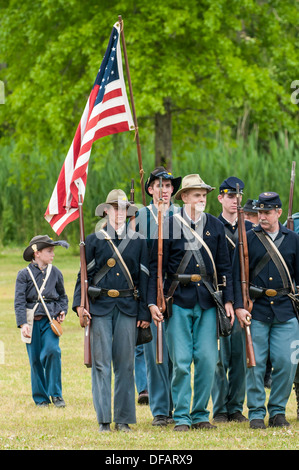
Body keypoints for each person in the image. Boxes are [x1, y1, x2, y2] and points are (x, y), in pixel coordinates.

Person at [148, 174, 234, 431]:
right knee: (182, 362)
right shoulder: (167, 225)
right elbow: (156, 269)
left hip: (208, 300)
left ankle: (199, 415)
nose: (202, 199)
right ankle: (183, 416)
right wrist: (154, 301)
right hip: (178, 301)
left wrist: (228, 300)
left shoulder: (215, 226)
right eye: (197, 195)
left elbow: (224, 266)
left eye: (204, 195)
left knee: (208, 360)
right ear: (184, 197)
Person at [72, 189, 150, 433]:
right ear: (106, 210)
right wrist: (80, 305)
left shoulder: (138, 241)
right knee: (101, 364)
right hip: (100, 307)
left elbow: (144, 279)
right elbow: (83, 276)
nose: (119, 213)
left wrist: (145, 313)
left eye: (123, 208)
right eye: (115, 208)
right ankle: (104, 419)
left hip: (128, 307)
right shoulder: (94, 240)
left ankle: (124, 419)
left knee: (125, 364)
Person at [233, 192, 299, 429]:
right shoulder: (247, 239)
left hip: (285, 309)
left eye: (267, 212)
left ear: (279, 213)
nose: (262, 216)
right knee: (255, 363)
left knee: (286, 362)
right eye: (259, 212)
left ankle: (278, 411)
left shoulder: (293, 239)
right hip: (256, 309)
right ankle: (257, 412)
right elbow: (235, 276)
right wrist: (239, 307)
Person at [134, 166, 181, 426]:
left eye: (167, 185)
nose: (163, 190)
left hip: (178, 291)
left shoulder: (183, 215)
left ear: (173, 189)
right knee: (155, 353)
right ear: (150, 189)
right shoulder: (140, 216)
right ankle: (161, 409)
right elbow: (137, 259)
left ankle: (178, 405)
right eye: (158, 185)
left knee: (177, 352)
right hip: (151, 288)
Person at [211, 177, 252, 423]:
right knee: (218, 359)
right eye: (229, 196)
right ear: (220, 198)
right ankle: (219, 409)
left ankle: (236, 407)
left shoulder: (249, 229)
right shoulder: (212, 226)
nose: (235, 200)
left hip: (244, 300)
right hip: (219, 299)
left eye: (238, 196)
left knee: (240, 357)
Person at [14, 235, 69, 407]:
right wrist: (23, 324)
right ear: (37, 253)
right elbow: (19, 301)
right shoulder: (23, 274)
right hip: (31, 321)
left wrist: (62, 310)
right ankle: (41, 399)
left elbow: (62, 297)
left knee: (53, 351)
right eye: (49, 251)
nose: (53, 254)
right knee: (35, 360)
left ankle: (56, 394)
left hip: (49, 320)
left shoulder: (56, 272)